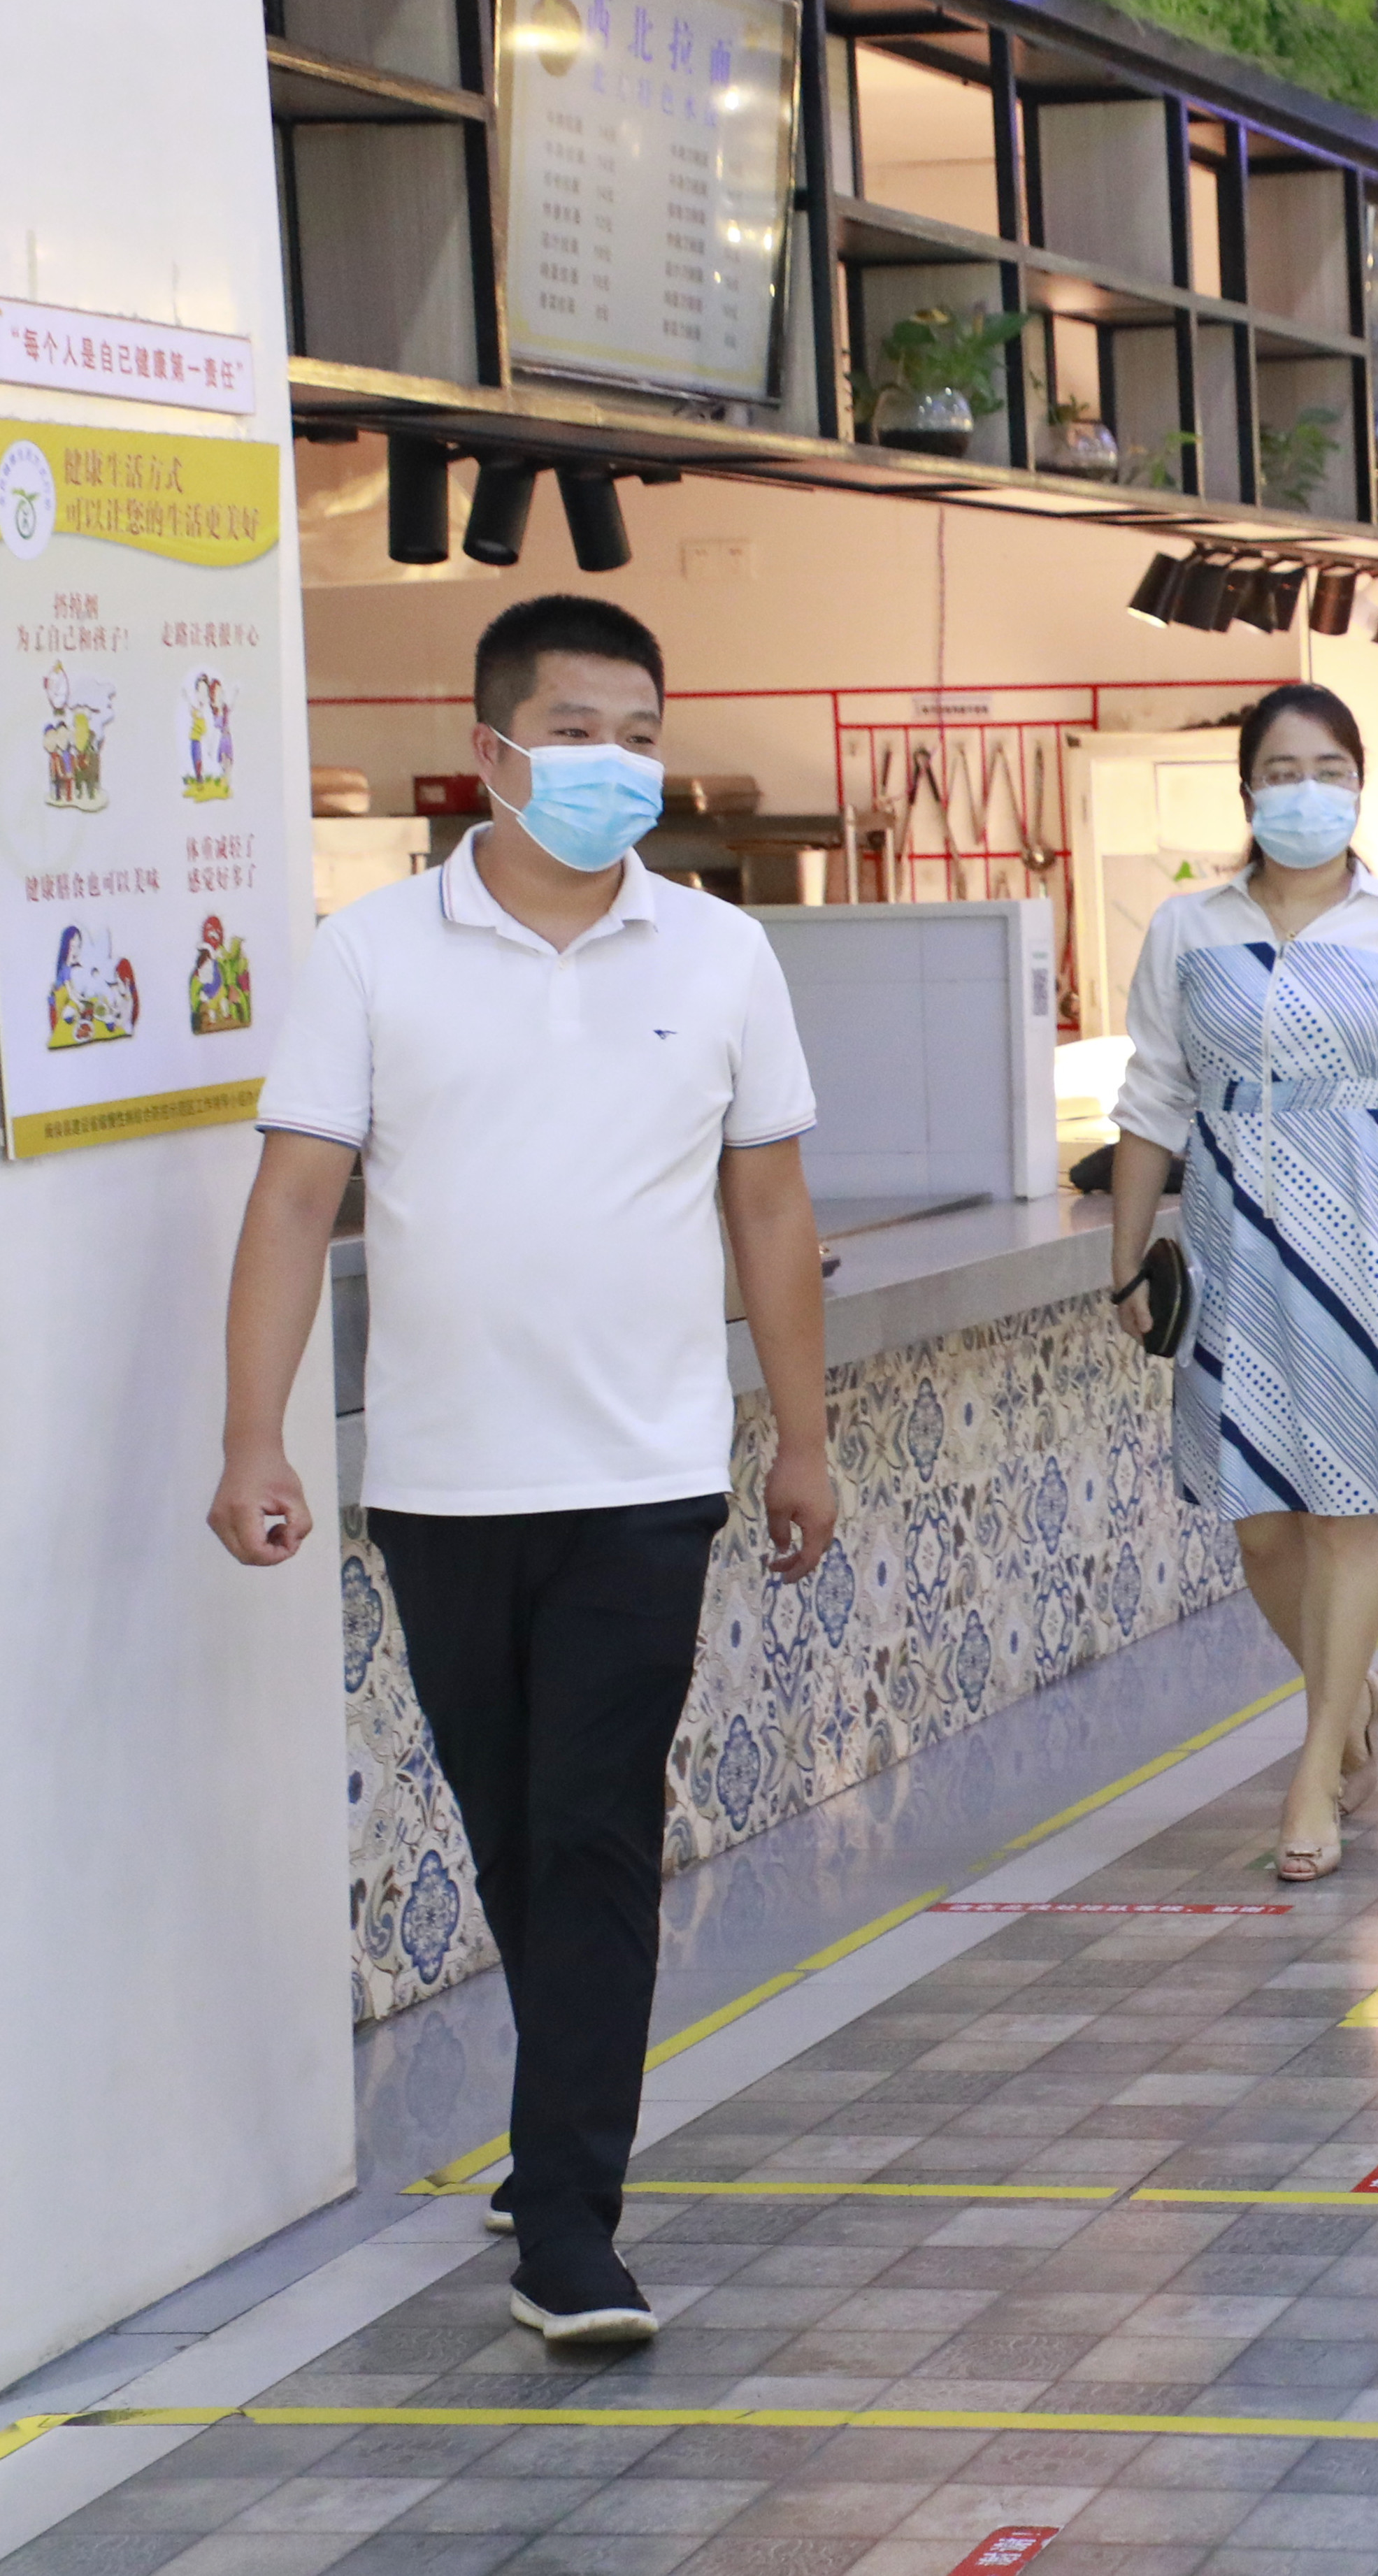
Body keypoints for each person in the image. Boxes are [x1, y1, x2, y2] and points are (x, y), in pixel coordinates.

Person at [208, 594, 833, 2348]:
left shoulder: (720, 953)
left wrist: (801, 1433)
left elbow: (770, 1205)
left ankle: (568, 2222)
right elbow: (293, 1198)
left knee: (594, 1828)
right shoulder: (370, 953)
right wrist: (256, 1432)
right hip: (443, 1480)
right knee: (509, 1826)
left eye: (639, 734)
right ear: (489, 750)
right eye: (575, 732)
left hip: (643, 1473)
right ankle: (558, 2129)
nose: (611, 764)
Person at [1108, 683, 1378, 1881]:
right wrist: (1124, 1260)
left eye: (1329, 769)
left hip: (1370, 1233)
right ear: (1246, 788)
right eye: (1282, 770)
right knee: (1261, 1523)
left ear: (1359, 785)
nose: (1306, 790)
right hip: (1231, 1239)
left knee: (1344, 1511)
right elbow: (1151, 1099)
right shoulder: (1188, 927)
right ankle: (1353, 1687)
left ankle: (1317, 1765)